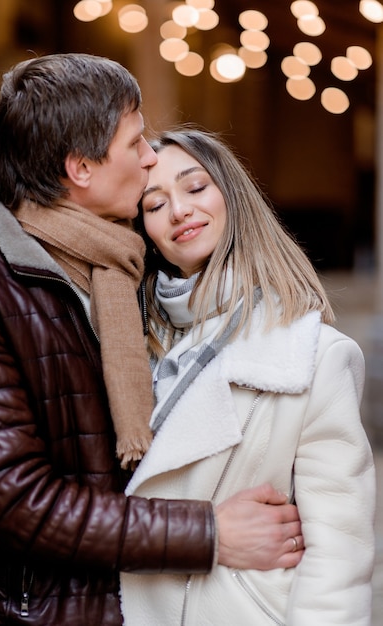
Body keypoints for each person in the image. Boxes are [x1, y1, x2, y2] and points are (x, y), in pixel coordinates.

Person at [0, 54, 305, 625]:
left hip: (137, 605)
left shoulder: (126, 267)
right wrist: (211, 532)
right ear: (81, 168)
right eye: (136, 142)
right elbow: (16, 502)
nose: (151, 159)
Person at [120, 127, 376, 625]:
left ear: (232, 196)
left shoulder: (313, 355)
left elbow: (339, 553)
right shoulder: (122, 346)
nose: (179, 211)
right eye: (154, 205)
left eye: (195, 188)